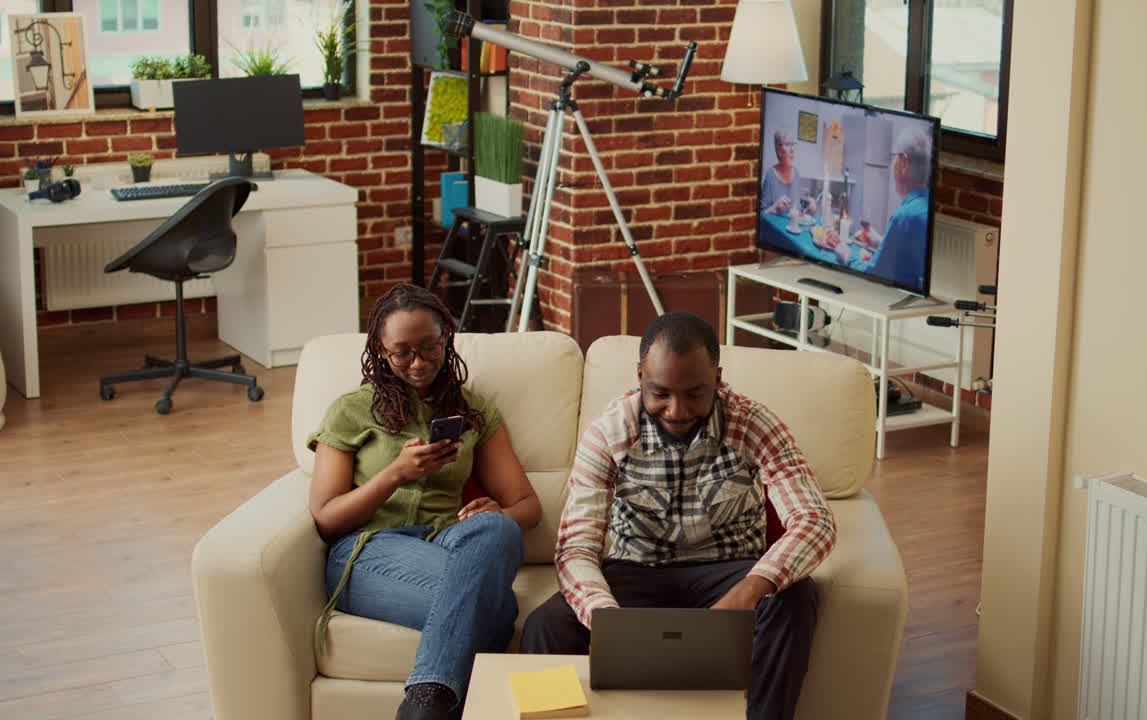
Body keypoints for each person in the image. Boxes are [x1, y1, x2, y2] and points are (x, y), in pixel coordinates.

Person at [520, 312, 836, 720]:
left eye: (694, 393)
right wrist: (605, 618)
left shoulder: (754, 423)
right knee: (546, 624)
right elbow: (576, 548)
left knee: (796, 596)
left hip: (730, 572)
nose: (676, 410)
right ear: (639, 376)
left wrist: (748, 593)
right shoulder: (608, 433)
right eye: (660, 393)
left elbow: (816, 520)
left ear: (718, 378)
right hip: (636, 572)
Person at [308, 283, 541, 720]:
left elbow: (527, 506)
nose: (418, 363)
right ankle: (426, 707)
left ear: (446, 337)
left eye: (429, 348)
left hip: (447, 544)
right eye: (402, 353)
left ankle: (424, 705)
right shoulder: (350, 411)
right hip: (366, 552)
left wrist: (499, 512)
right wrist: (396, 473)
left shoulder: (474, 413)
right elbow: (326, 519)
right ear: (380, 350)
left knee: (497, 530)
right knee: (495, 608)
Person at [820, 125, 932, 283]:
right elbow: (909, 257)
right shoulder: (927, 208)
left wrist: (844, 251)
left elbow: (872, 274)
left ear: (904, 163)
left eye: (893, 158)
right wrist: (879, 240)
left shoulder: (905, 217)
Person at [759, 129, 800, 215]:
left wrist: (810, 209)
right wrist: (774, 207)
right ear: (779, 150)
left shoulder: (796, 173)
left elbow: (798, 210)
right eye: (788, 144)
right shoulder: (771, 175)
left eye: (794, 144)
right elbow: (761, 215)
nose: (792, 149)